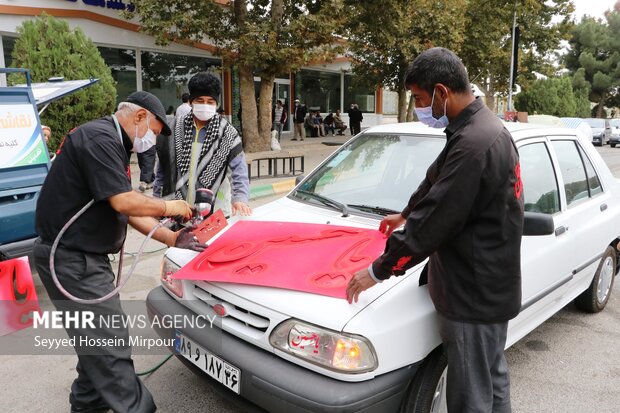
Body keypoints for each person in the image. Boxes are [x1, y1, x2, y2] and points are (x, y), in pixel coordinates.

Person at [346, 47, 524, 413]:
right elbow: (436, 179)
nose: (419, 107)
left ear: (442, 92)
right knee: (491, 379)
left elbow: (434, 224)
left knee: (470, 393)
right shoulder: (477, 127)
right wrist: (405, 213)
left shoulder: (475, 143)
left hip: (472, 293)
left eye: (420, 99)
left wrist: (376, 271)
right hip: (489, 285)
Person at [33, 91, 202, 413]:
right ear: (139, 117)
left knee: (95, 345)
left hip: (81, 258)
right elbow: (124, 201)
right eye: (153, 131)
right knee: (110, 345)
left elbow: (124, 205)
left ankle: (87, 407)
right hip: (71, 260)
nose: (152, 139)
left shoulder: (110, 141)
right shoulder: (99, 138)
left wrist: (171, 237)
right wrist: (171, 206)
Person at [154, 71, 252, 218]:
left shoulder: (228, 133)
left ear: (216, 104)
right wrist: (156, 199)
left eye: (210, 102)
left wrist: (240, 198)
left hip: (216, 211)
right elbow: (162, 167)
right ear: (192, 102)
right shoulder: (173, 128)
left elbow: (240, 171)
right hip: (176, 208)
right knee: (177, 240)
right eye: (200, 100)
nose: (205, 105)